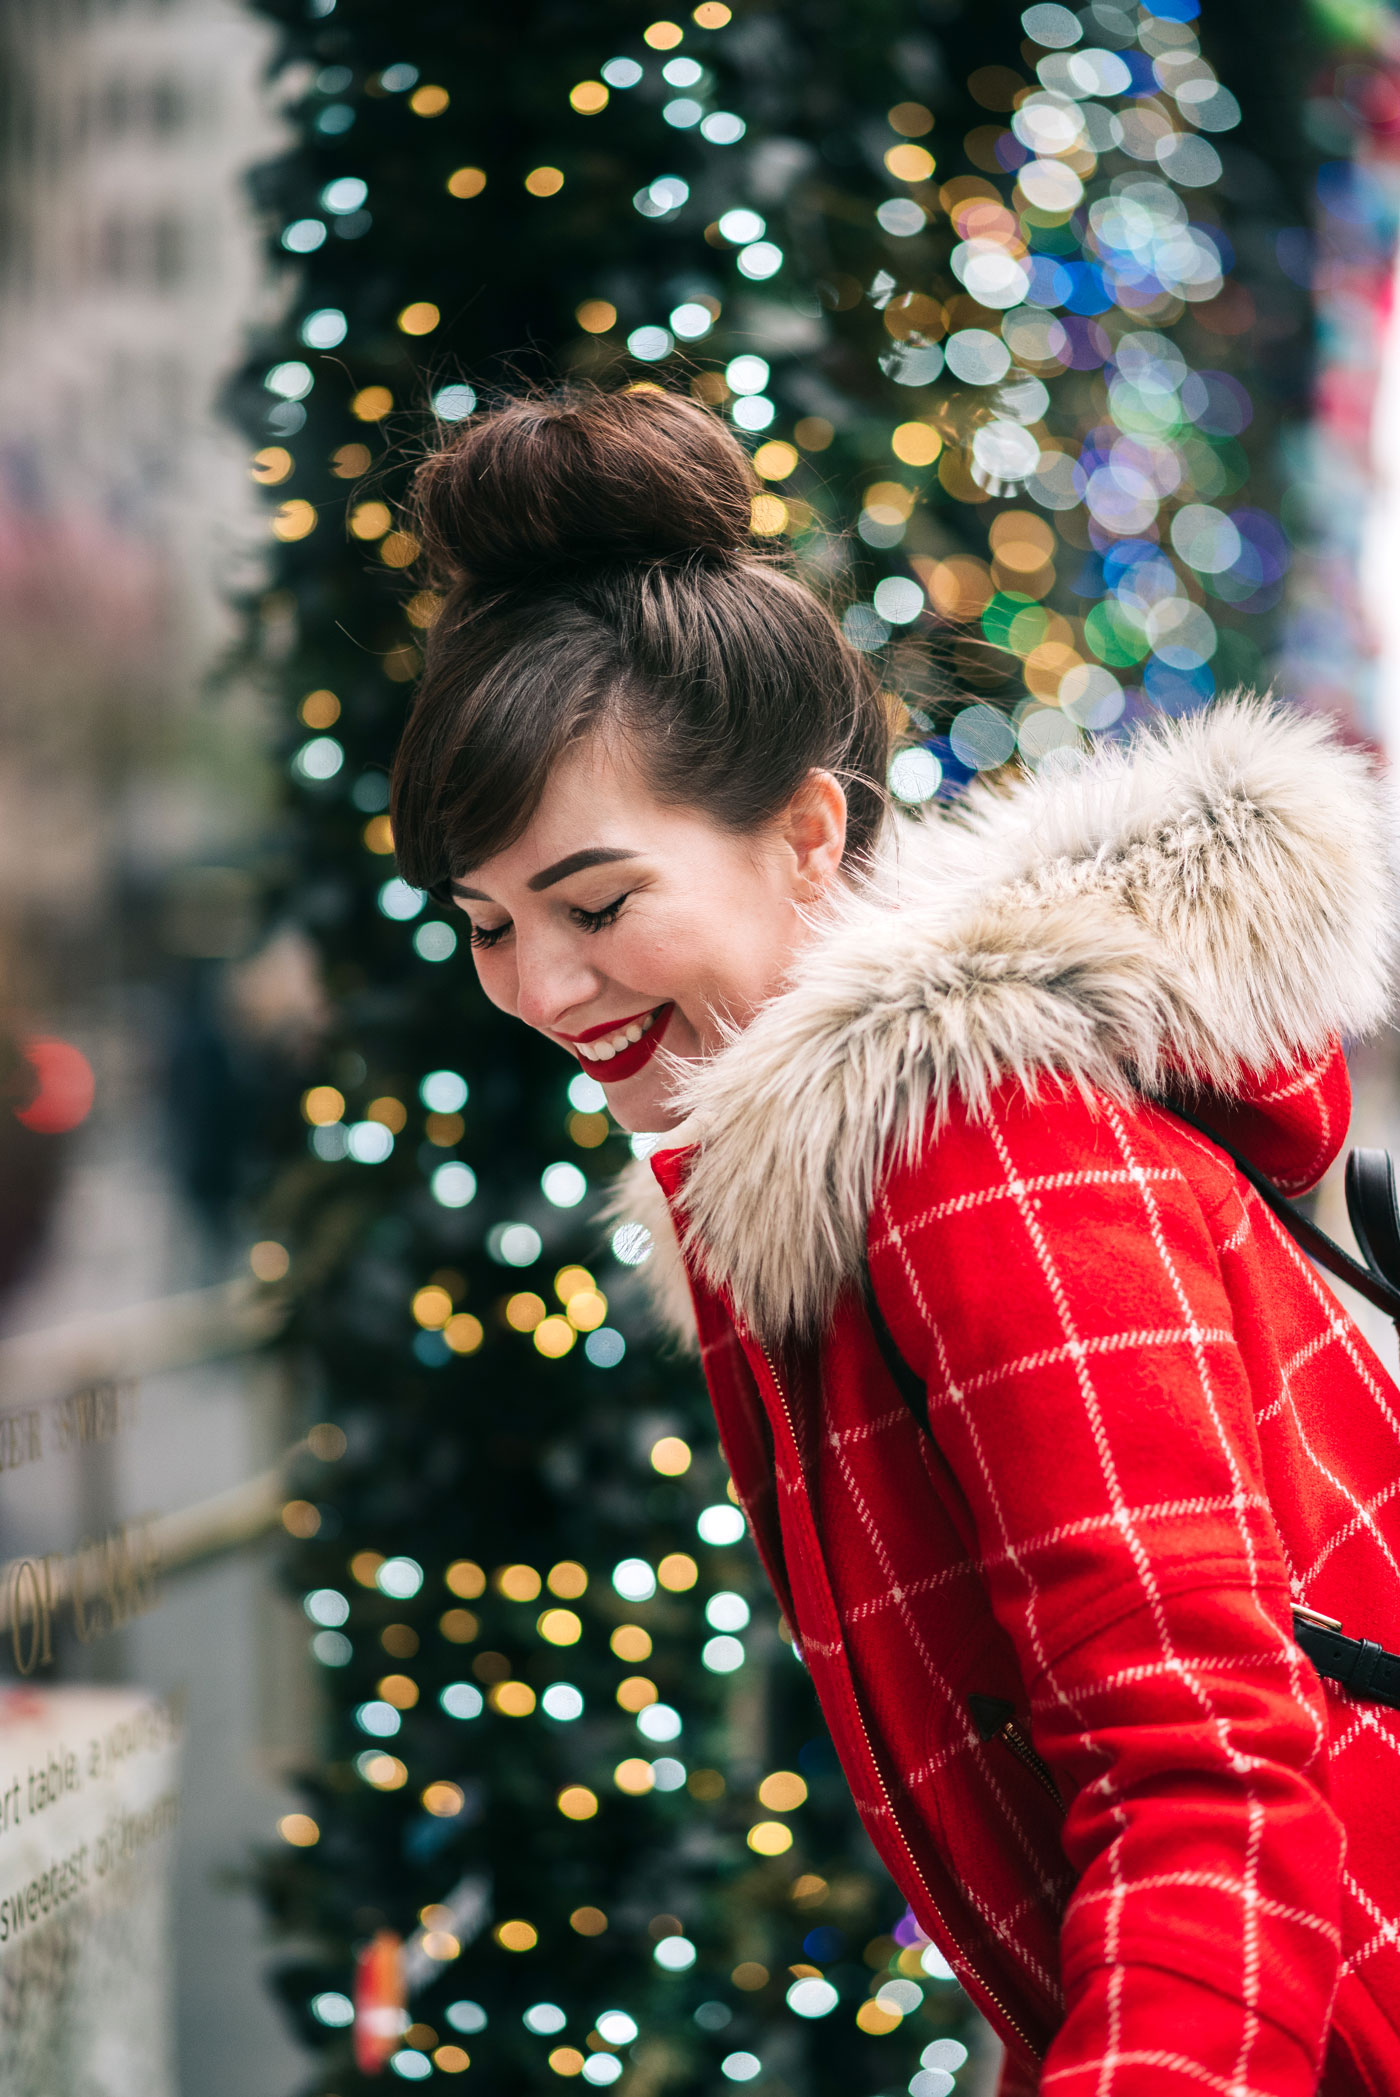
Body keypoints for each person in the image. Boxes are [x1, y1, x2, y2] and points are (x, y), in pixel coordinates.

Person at [391, 385, 1400, 2095]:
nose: (543, 990)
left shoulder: (976, 1151)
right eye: (486, 923)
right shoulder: (787, 1184)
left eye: (597, 902)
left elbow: (1208, 1780)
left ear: (805, 831)